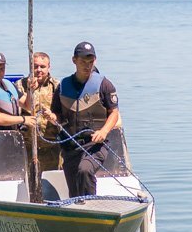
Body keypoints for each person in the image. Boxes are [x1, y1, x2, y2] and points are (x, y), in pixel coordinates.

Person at [51, 41, 120, 198]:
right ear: (74, 60)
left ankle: (91, 206)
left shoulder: (104, 85)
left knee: (85, 170)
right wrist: (52, 117)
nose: (87, 66)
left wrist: (104, 131)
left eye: (90, 62)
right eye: (83, 61)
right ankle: (79, 209)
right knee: (75, 192)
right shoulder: (63, 86)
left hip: (95, 146)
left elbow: (114, 113)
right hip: (71, 147)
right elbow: (57, 114)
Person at [19, 51, 61, 172]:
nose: (39, 70)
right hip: (27, 148)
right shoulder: (20, 85)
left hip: (51, 148)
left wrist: (53, 116)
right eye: (35, 66)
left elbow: (64, 115)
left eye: (42, 67)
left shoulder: (57, 86)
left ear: (49, 67)